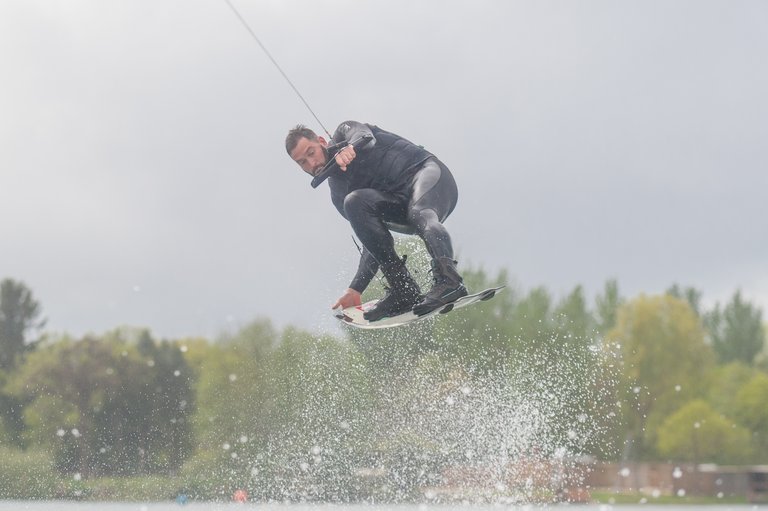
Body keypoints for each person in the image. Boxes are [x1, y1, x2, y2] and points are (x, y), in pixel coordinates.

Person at [285, 121, 467, 321]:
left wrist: (350, 149)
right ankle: (403, 289)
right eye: (302, 162)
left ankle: (449, 281)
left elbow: (365, 137)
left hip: (429, 177)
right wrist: (356, 288)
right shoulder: (338, 195)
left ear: (321, 142)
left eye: (311, 153)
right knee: (353, 201)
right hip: (400, 206)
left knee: (419, 212)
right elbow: (372, 239)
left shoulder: (344, 132)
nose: (311, 164)